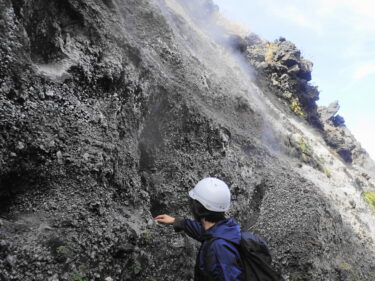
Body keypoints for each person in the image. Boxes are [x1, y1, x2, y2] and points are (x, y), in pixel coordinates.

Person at [155, 177, 245, 281]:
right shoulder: (224, 230)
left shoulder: (219, 248)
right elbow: (202, 231)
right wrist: (177, 222)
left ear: (197, 209)